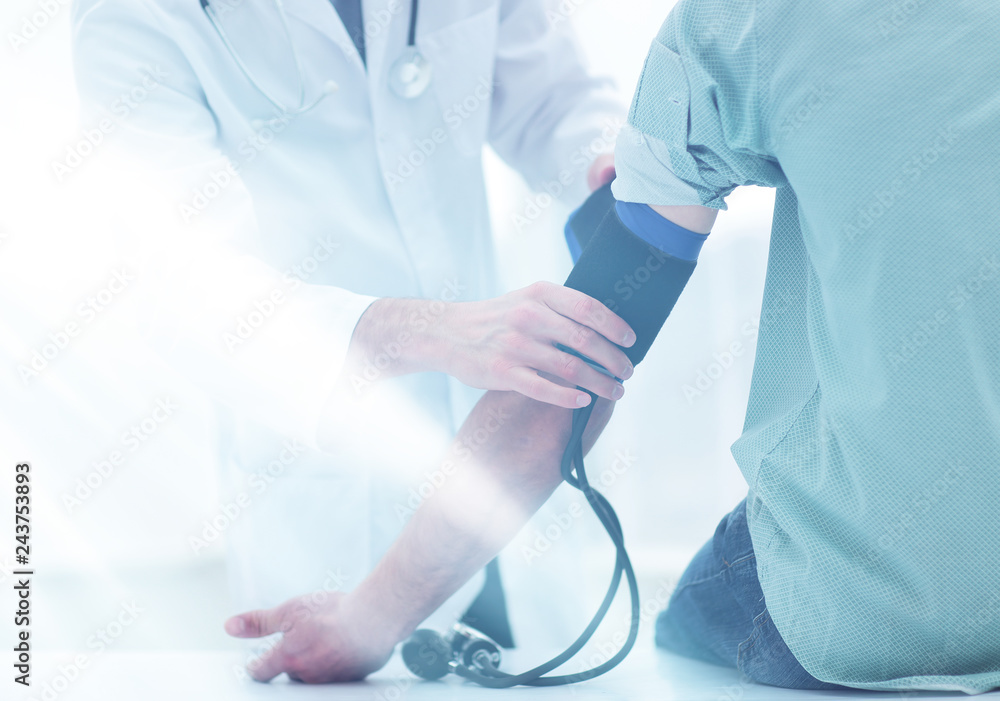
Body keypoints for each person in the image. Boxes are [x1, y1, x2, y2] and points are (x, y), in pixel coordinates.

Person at [224, 0, 1000, 692]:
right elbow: (181, 279)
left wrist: (370, 615)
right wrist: (403, 328)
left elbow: (574, 370)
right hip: (320, 466)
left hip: (858, 609)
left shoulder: (743, 25)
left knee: (691, 635)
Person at [71, 0, 636, 649]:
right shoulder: (131, 15)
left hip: (518, 475)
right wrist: (426, 331)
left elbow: (552, 100)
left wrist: (612, 165)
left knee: (549, 659)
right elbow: (178, 280)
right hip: (339, 507)